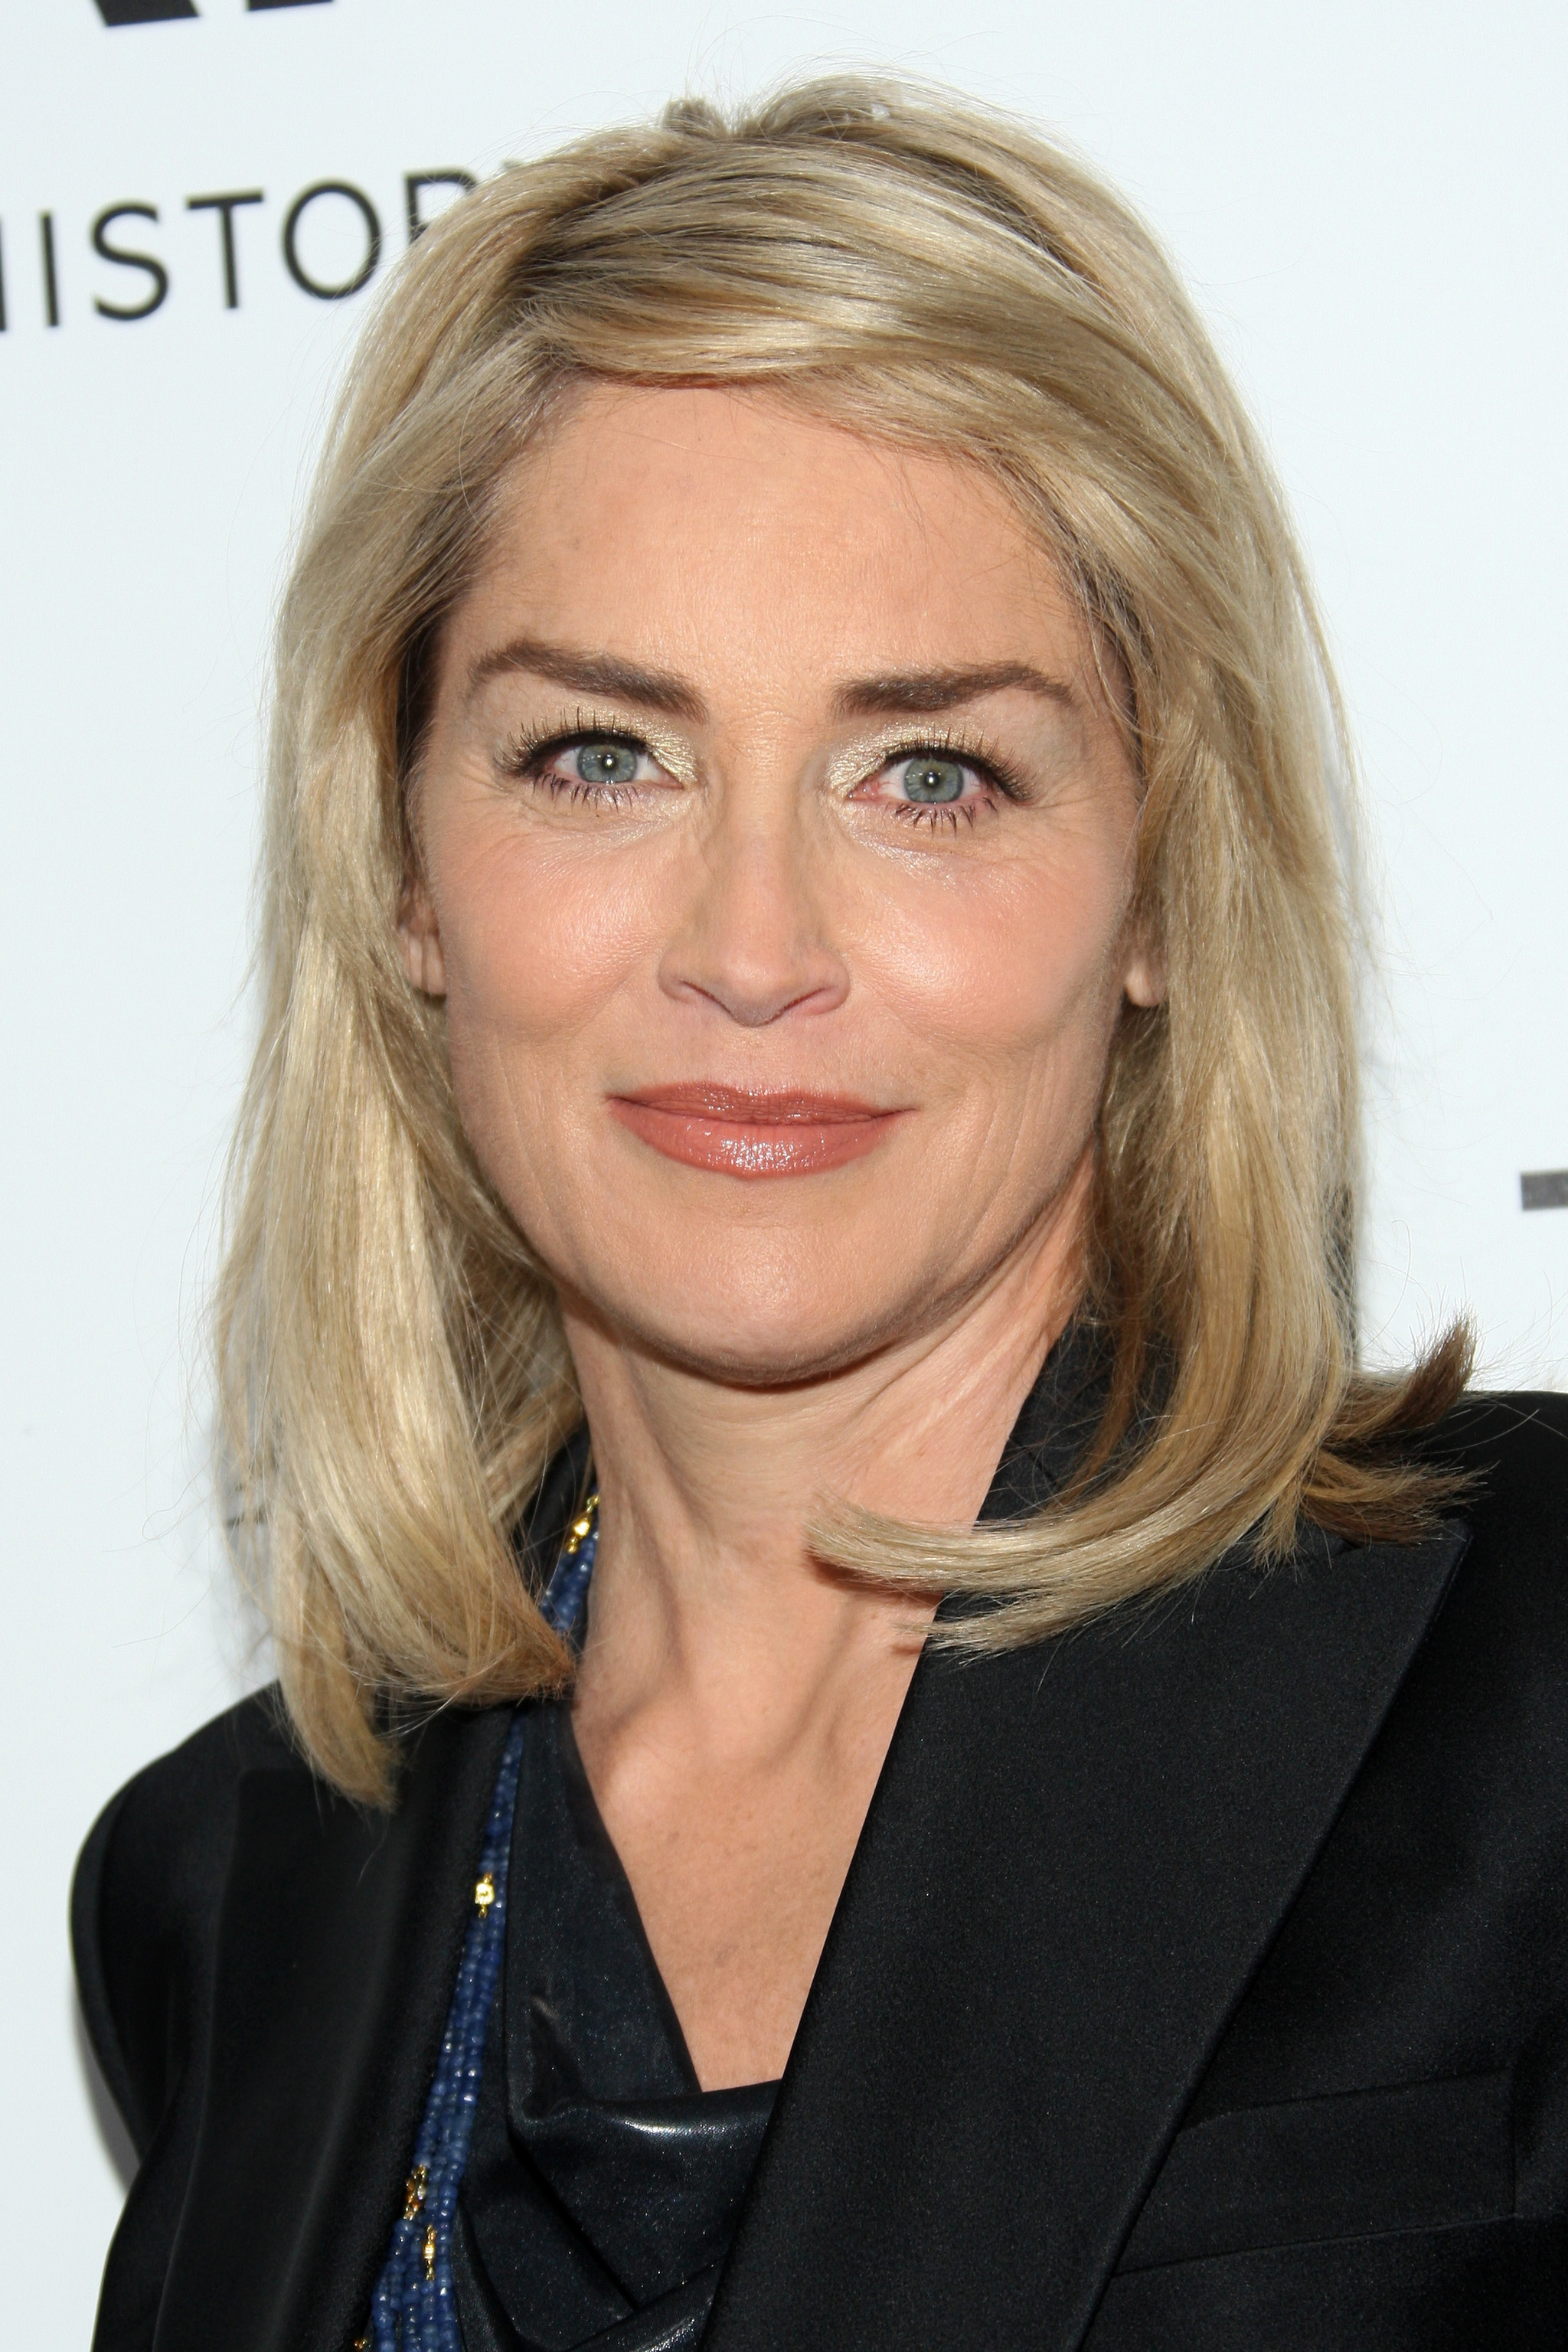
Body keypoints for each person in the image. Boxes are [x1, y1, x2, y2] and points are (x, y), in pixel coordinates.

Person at [72, 78, 1568, 2352]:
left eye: (930, 776)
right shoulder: (222, 1900)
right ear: (403, 870)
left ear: (1163, 881)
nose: (753, 947)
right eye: (603, 756)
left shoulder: (1527, 1672)